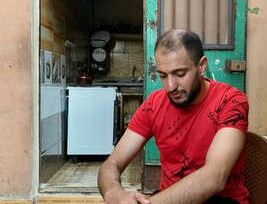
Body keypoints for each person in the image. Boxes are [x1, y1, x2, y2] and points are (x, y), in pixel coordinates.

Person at [98, 29, 249, 204]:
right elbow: (111, 164)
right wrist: (113, 193)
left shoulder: (231, 102)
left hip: (221, 200)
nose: (170, 86)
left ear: (202, 66)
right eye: (163, 75)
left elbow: (214, 177)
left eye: (180, 74)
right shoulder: (154, 105)